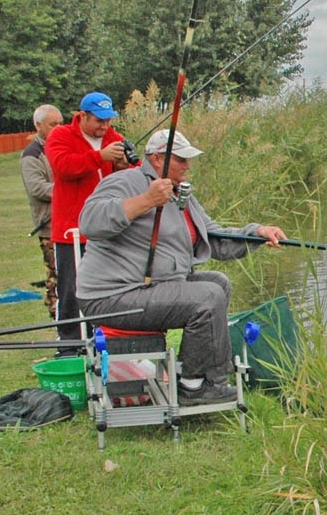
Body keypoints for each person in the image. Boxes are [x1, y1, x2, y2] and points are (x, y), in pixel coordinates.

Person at [76, 129, 286, 405]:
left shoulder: (180, 195)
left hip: (148, 287)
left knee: (218, 283)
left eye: (188, 159)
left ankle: (204, 374)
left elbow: (214, 238)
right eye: (180, 159)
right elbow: (89, 222)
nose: (187, 166)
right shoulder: (125, 182)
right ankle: (193, 387)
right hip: (111, 296)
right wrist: (146, 201)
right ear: (156, 158)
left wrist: (256, 232)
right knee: (207, 296)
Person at [44, 92, 131, 352]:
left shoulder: (114, 139)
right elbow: (63, 167)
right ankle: (69, 345)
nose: (104, 127)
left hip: (107, 230)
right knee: (70, 289)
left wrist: (125, 164)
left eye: (108, 121)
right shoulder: (60, 136)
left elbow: (128, 172)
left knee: (110, 286)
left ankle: (104, 339)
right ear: (83, 116)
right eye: (98, 121)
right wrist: (100, 157)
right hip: (72, 231)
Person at [20, 104, 64, 319]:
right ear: (38, 126)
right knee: (55, 272)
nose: (58, 128)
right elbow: (36, 188)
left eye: (60, 123)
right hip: (48, 224)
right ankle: (55, 311)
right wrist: (69, 191)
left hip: (69, 220)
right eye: (52, 124)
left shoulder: (63, 146)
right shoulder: (32, 155)